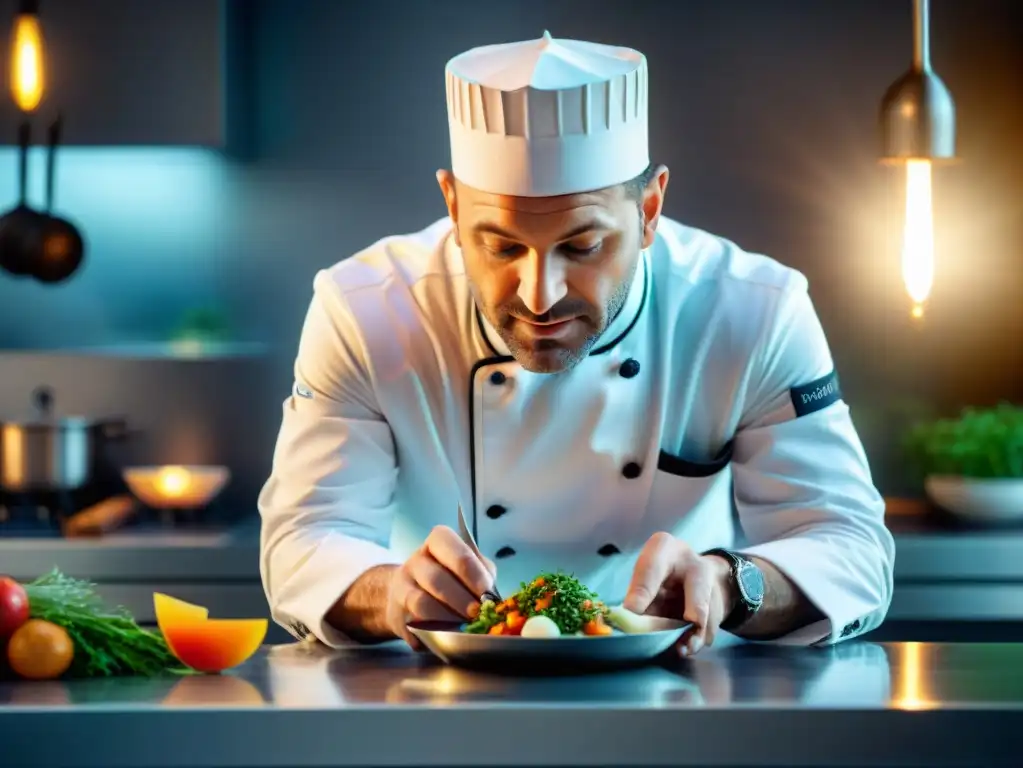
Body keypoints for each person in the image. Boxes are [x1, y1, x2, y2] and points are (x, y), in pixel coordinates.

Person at [258, 31, 895, 655]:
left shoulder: (752, 310)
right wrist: (391, 593)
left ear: (649, 211)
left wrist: (731, 584)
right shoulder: (365, 309)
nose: (539, 295)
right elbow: (306, 538)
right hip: (439, 696)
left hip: (685, 694)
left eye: (583, 246)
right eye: (500, 245)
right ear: (452, 207)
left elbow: (848, 545)